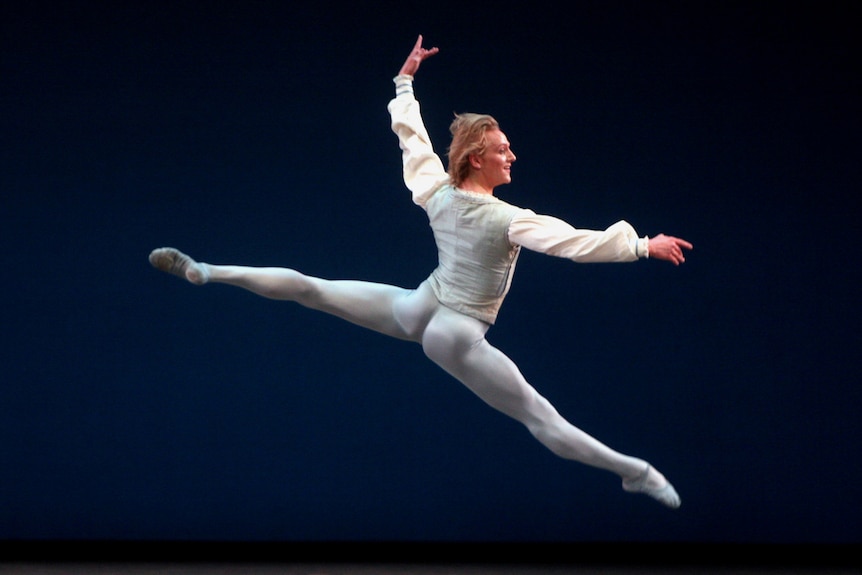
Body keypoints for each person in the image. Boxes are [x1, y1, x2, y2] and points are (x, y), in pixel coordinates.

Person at [149, 35, 692, 509]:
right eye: (503, 150)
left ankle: (208, 271)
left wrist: (404, 83)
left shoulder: (436, 191)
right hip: (455, 331)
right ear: (477, 158)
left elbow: (413, 141)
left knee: (313, 289)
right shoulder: (510, 219)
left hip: (419, 307)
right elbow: (573, 243)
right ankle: (636, 472)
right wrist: (642, 245)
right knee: (541, 418)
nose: (512, 156)